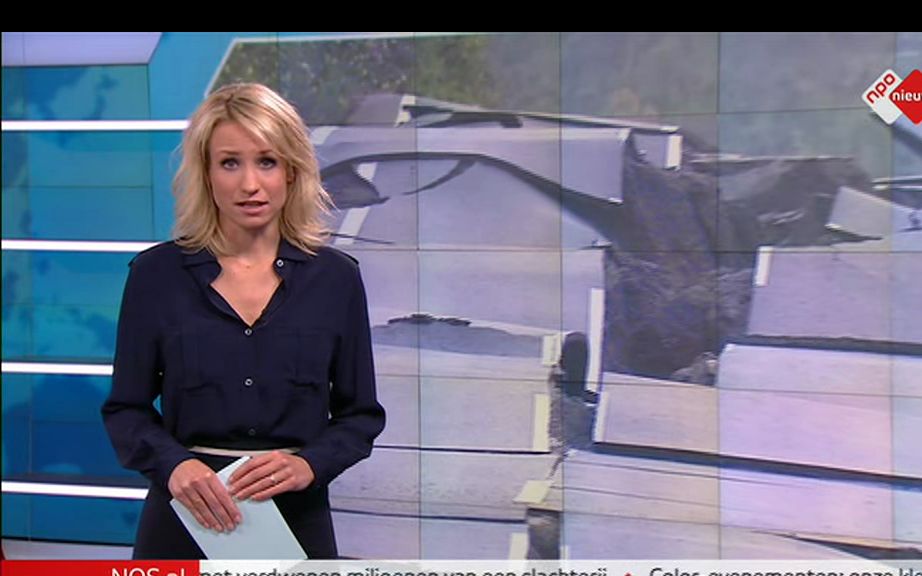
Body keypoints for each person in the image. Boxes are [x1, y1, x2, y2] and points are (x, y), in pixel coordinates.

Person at [101, 83, 385, 559]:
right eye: (230, 163)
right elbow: (125, 409)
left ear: (291, 171)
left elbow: (360, 416)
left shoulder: (337, 280)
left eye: (267, 162)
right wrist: (174, 466)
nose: (250, 184)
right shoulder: (156, 276)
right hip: (185, 514)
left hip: (297, 518)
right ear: (206, 173)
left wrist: (310, 464)